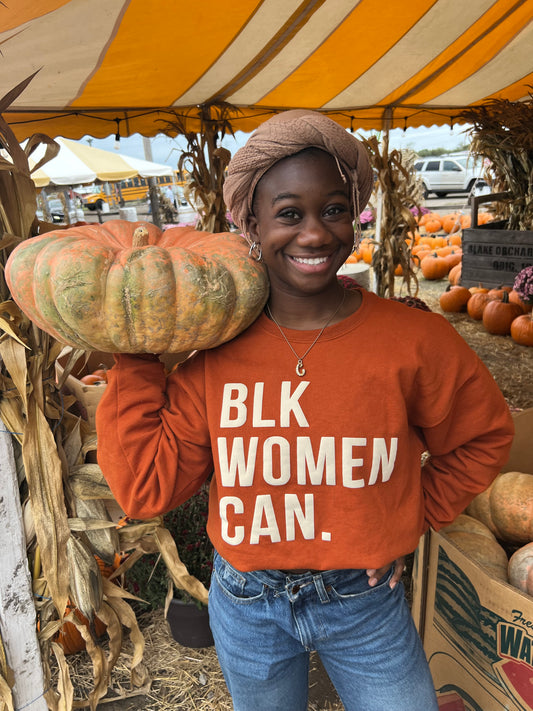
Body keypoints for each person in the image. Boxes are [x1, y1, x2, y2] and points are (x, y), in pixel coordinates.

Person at [95, 110, 514, 711]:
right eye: (289, 213)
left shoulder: (413, 341)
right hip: (246, 602)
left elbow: (481, 437)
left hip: (364, 602)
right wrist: (134, 353)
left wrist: (411, 515)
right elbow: (144, 488)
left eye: (335, 210)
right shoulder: (216, 353)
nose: (315, 233)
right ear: (251, 223)